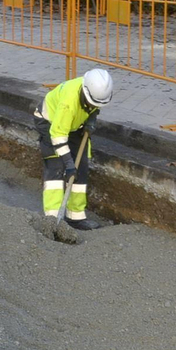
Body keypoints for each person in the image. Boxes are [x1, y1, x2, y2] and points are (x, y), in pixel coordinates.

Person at [36, 68, 113, 231]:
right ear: (85, 93)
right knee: (57, 167)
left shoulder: (96, 89)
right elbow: (57, 134)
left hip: (75, 126)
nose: (94, 105)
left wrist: (92, 117)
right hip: (50, 123)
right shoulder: (68, 103)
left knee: (81, 167)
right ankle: (53, 219)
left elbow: (95, 105)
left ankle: (75, 217)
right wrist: (69, 164)